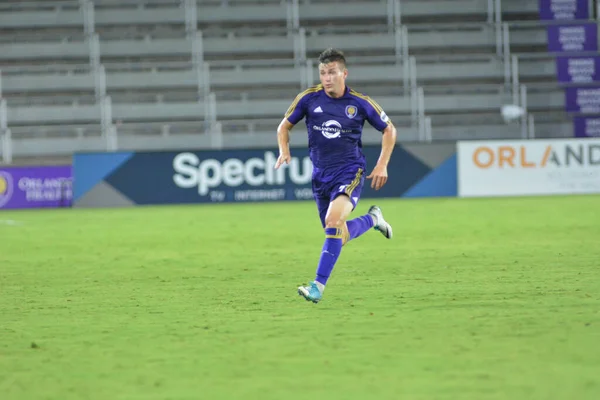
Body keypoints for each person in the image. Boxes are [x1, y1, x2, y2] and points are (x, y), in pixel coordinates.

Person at [275, 48, 397, 303]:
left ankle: (317, 286)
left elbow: (389, 130)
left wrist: (382, 164)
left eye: (331, 72)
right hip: (320, 176)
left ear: (344, 73)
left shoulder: (360, 103)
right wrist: (284, 150)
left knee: (333, 223)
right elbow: (283, 127)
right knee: (336, 235)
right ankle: (373, 220)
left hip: (350, 171)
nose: (326, 78)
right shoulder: (308, 99)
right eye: (322, 73)